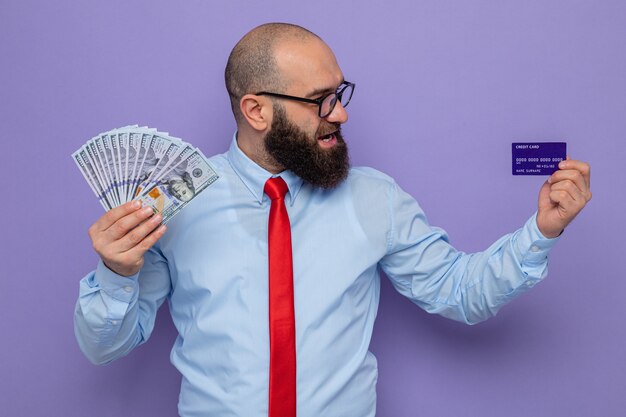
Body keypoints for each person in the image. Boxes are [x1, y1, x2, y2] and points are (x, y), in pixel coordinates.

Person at [74, 23, 592, 417]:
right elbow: (106, 348)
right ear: (256, 111)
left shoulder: (375, 197)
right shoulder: (174, 202)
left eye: (339, 95)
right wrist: (116, 275)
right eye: (320, 101)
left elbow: (460, 292)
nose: (340, 114)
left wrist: (541, 231)